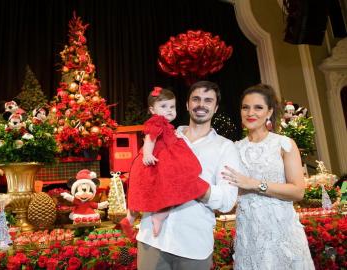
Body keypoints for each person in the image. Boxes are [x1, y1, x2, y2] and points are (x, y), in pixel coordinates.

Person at [136, 81, 241, 270]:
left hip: (193, 246)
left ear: (215, 108)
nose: (201, 104)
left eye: (208, 100)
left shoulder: (226, 148)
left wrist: (194, 186)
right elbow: (144, 176)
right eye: (196, 99)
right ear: (187, 105)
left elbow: (227, 201)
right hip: (151, 239)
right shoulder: (163, 137)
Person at [222, 84, 314, 269]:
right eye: (245, 107)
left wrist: (254, 184)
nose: (250, 112)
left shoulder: (284, 144)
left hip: (283, 235)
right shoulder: (233, 148)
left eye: (258, 107)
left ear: (269, 112)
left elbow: (297, 191)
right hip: (249, 236)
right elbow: (227, 192)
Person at [121, 86, 210, 237]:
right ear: (152, 110)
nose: (169, 110)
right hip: (159, 158)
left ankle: (131, 217)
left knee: (148, 189)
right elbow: (150, 138)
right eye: (163, 106)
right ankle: (158, 216)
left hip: (162, 156)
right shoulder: (157, 122)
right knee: (171, 186)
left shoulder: (164, 124)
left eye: (172, 106)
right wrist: (147, 153)